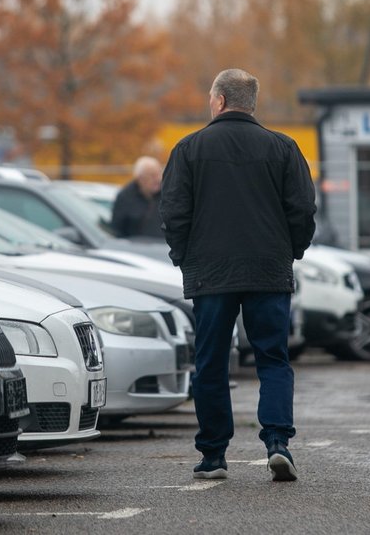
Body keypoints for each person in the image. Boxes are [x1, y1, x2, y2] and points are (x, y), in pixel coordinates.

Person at [160, 68, 316, 482]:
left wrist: (184, 258)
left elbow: (174, 212)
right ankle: (278, 443)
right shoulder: (283, 148)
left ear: (219, 101)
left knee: (211, 362)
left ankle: (213, 455)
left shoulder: (189, 149)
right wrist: (291, 252)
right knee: (273, 359)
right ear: (252, 103)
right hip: (268, 269)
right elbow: (302, 209)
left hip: (211, 274)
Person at [110, 156, 165, 239]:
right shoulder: (125, 197)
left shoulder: (168, 194)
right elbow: (116, 229)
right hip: (134, 248)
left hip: (164, 247)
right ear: (139, 178)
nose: (158, 179)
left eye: (159, 174)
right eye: (152, 176)